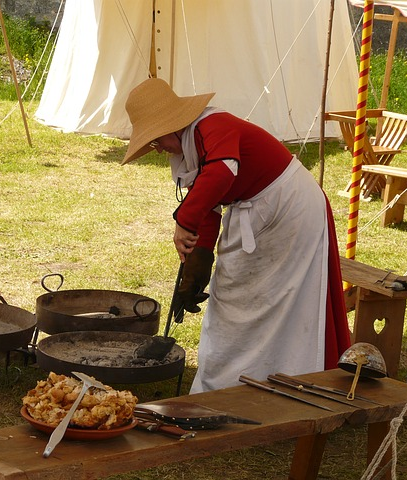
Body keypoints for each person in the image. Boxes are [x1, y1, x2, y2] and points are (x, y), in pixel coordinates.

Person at [122, 78, 351, 393]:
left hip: (289, 209)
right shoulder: (193, 144)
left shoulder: (213, 126)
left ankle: (268, 382)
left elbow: (222, 171)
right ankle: (243, 384)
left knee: (273, 300)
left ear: (173, 126)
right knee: (243, 298)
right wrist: (198, 262)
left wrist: (184, 221)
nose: (158, 149)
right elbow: (211, 205)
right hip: (264, 210)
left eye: (157, 140)